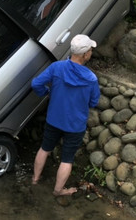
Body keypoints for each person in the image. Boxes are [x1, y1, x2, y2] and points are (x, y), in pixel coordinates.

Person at [32, 34, 100, 197]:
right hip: (75, 126)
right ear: (84, 54)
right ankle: (58, 190)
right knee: (66, 159)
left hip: (54, 120)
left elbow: (36, 84)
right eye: (90, 50)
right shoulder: (91, 78)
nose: (91, 52)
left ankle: (35, 179)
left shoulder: (57, 68)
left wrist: (46, 92)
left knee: (45, 148)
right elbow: (93, 102)